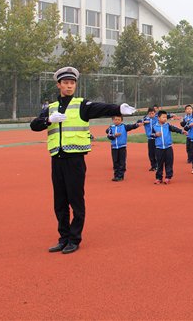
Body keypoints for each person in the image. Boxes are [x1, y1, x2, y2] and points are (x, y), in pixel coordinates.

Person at [30, 66, 137, 254]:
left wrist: (119, 108)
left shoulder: (81, 105)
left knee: (76, 200)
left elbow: (101, 108)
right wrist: (48, 120)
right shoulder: (51, 109)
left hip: (75, 160)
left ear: (75, 85)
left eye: (72, 83)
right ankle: (63, 238)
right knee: (59, 202)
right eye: (65, 83)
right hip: (57, 159)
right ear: (59, 85)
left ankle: (74, 238)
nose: (69, 86)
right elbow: (33, 126)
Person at [151, 110, 187, 184]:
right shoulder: (154, 126)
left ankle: (168, 177)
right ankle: (159, 178)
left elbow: (175, 129)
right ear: (158, 118)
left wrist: (182, 131)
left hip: (168, 148)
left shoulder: (167, 125)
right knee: (159, 164)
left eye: (166, 117)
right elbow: (151, 134)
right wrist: (155, 135)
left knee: (169, 163)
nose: (165, 119)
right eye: (163, 117)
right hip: (159, 148)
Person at [106, 115, 141, 181]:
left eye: (119, 119)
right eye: (115, 119)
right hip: (114, 147)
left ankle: (120, 175)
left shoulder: (124, 126)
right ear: (113, 120)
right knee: (115, 162)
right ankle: (116, 175)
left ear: (121, 120)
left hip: (122, 147)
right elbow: (109, 136)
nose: (117, 121)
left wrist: (137, 125)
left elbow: (131, 126)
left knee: (122, 161)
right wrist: (114, 135)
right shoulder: (111, 128)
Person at [141, 107, 158, 171]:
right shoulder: (145, 118)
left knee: (157, 152)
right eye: (150, 113)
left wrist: (172, 116)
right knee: (151, 153)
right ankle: (153, 166)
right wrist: (144, 121)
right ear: (148, 114)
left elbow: (165, 116)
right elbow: (139, 121)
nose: (151, 115)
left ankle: (157, 165)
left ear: (155, 113)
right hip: (150, 138)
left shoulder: (157, 118)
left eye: (152, 113)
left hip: (156, 138)